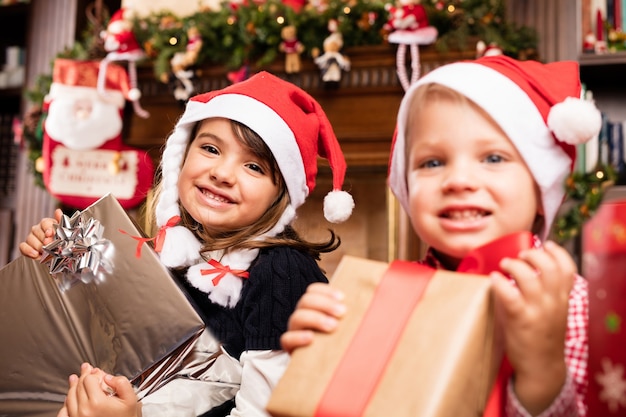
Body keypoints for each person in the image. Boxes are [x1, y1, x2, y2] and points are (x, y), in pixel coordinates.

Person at [19, 71, 355, 417]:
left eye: (253, 166)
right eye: (210, 148)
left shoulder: (280, 271)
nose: (223, 173)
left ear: (280, 196)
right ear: (181, 156)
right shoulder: (164, 252)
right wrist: (54, 256)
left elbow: (271, 412)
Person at [280, 55, 600, 416]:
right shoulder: (383, 298)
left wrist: (543, 374)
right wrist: (319, 364)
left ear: (541, 188)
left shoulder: (574, 305)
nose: (458, 181)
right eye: (432, 163)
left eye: (493, 158)